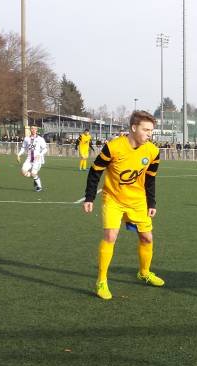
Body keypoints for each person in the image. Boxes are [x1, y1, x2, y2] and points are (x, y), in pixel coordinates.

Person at [82, 111, 164, 300]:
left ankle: (144, 273)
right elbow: (95, 171)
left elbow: (150, 179)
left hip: (138, 201)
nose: (149, 134)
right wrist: (89, 197)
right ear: (134, 128)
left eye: (151, 130)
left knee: (147, 238)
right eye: (146, 130)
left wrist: (151, 202)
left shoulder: (153, 151)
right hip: (114, 199)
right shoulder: (113, 147)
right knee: (110, 236)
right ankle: (101, 281)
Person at [16, 126, 48, 192]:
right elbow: (23, 148)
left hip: (37, 160)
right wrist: (18, 155)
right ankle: (36, 178)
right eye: (32, 128)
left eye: (35, 129)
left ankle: (39, 187)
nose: (33, 130)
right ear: (30, 129)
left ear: (37, 130)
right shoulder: (26, 138)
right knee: (23, 172)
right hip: (29, 159)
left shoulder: (40, 139)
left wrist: (40, 155)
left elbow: (45, 149)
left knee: (33, 173)